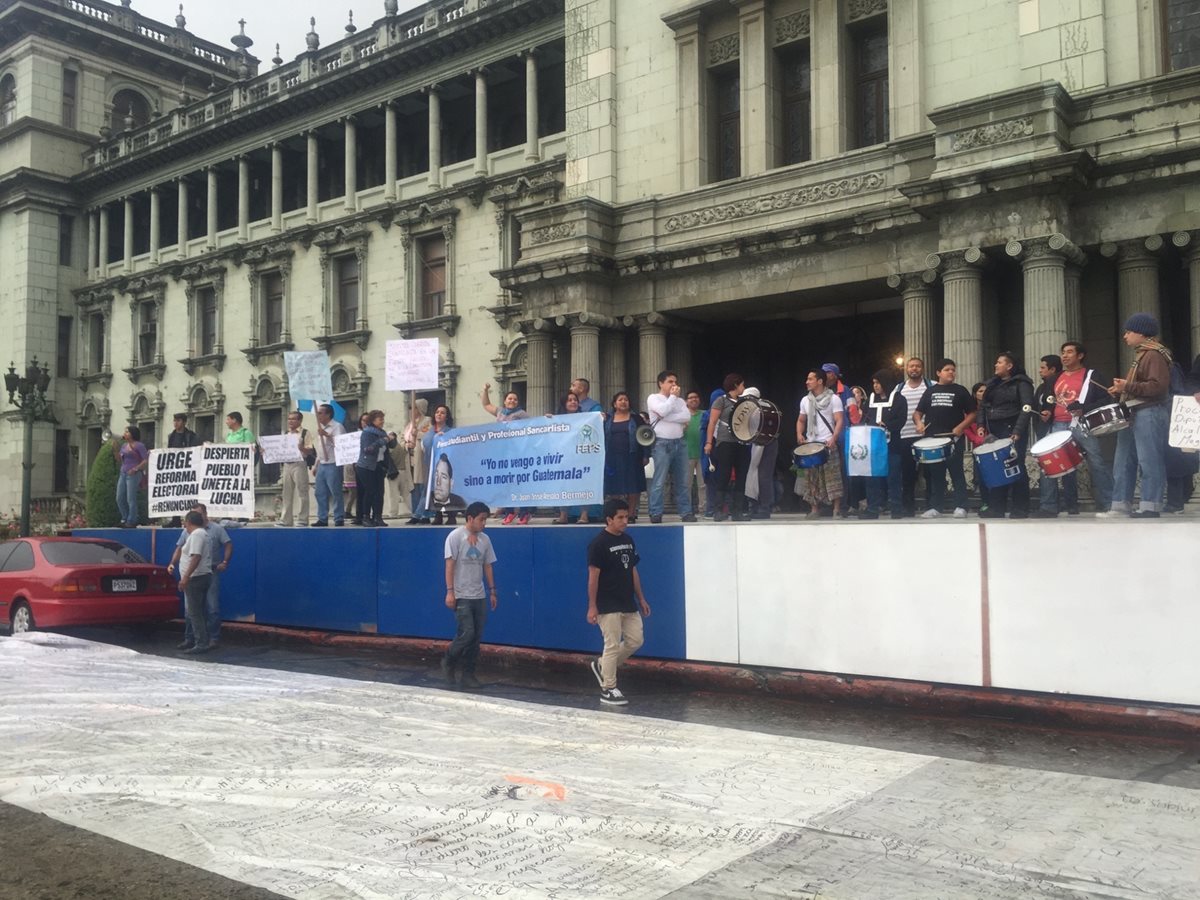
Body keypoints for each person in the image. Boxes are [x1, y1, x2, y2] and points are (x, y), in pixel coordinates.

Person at [1104, 312, 1172, 518]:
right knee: (1123, 461)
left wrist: (1127, 386)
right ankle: (1120, 505)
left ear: (1141, 333)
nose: (1125, 336)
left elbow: (1158, 387)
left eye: (1129, 331)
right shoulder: (1143, 354)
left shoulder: (1154, 355)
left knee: (1149, 460)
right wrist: (1122, 390)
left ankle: (1150, 506)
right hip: (1135, 411)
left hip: (1149, 412)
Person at [586, 498, 651, 706]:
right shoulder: (598, 544)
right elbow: (593, 577)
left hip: (627, 600)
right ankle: (609, 688)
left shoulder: (628, 540)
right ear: (609, 519)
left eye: (626, 517)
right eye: (620, 517)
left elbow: (633, 570)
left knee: (636, 640)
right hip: (607, 602)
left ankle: (602, 665)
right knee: (612, 644)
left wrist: (641, 598)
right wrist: (592, 606)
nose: (625, 521)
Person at [1040, 342, 1114, 516]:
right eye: (1063, 352)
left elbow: (1106, 399)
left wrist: (1084, 409)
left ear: (1080, 356)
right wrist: (1047, 411)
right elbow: (1049, 401)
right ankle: (1048, 506)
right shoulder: (1055, 378)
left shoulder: (1092, 375)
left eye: (1069, 352)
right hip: (1058, 423)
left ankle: (1109, 503)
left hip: (1082, 423)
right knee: (1049, 463)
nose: (1064, 356)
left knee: (1096, 462)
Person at [440, 501, 497, 690]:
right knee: (467, 633)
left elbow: (488, 565)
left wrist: (492, 590)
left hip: (479, 595)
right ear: (470, 518)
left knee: (476, 637)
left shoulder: (485, 540)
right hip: (462, 594)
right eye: (481, 519)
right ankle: (449, 659)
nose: (484, 524)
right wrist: (450, 591)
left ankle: (468, 674)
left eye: (486, 520)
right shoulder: (455, 537)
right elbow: (450, 565)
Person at [913, 358, 976, 518]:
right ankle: (936, 507)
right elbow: (917, 413)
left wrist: (961, 427)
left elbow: (972, 413)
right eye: (947, 370)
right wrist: (919, 423)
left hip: (953, 439)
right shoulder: (930, 391)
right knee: (936, 475)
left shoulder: (960, 390)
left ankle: (961, 506)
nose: (951, 372)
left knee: (957, 472)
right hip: (933, 439)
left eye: (953, 370)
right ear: (938, 373)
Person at [168, 501, 232, 650]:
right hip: (199, 573)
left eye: (198, 513)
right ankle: (191, 638)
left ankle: (207, 640)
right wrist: (173, 563)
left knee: (208, 608)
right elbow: (179, 548)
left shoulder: (205, 532)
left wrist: (225, 562)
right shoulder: (192, 533)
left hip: (202, 573)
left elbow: (196, 556)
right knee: (192, 610)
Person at [980, 351, 1035, 518]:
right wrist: (981, 425)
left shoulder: (1022, 383)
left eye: (1000, 362)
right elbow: (983, 406)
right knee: (996, 467)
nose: (996, 365)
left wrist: (1018, 431)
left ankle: (1020, 507)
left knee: (1015, 466)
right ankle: (997, 507)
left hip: (1012, 428)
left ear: (1009, 366)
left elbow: (1026, 408)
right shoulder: (992, 384)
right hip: (995, 429)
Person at [646, 370, 696, 523]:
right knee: (659, 480)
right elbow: (662, 410)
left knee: (683, 481)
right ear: (661, 383)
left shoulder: (680, 401)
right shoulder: (653, 398)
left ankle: (685, 512)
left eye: (675, 382)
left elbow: (686, 416)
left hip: (679, 442)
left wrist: (667, 416)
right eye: (670, 382)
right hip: (662, 442)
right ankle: (656, 512)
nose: (674, 385)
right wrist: (672, 398)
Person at [795, 368, 846, 518]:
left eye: (810, 379)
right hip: (811, 444)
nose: (807, 382)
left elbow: (839, 420)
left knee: (832, 476)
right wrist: (799, 434)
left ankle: (836, 509)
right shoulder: (805, 400)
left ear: (820, 381)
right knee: (811, 477)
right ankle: (814, 509)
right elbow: (801, 420)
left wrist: (834, 438)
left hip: (827, 442)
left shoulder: (833, 399)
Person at [481, 383, 532, 524]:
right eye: (510, 398)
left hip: (517, 453)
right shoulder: (500, 411)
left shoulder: (522, 414)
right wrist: (485, 390)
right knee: (506, 483)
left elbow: (535, 426)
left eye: (515, 399)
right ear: (505, 401)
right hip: (502, 453)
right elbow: (486, 404)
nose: (512, 401)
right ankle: (509, 511)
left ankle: (524, 512)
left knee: (520, 483)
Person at [704, 373, 751, 522]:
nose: (743, 387)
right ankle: (718, 510)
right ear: (736, 385)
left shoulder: (744, 402)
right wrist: (709, 442)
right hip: (725, 442)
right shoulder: (721, 401)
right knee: (724, 475)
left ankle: (737, 511)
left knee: (742, 475)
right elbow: (712, 422)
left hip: (742, 442)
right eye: (742, 384)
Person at [863, 370, 908, 519]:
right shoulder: (870, 400)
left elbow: (901, 420)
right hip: (873, 445)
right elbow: (864, 418)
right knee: (872, 478)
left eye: (878, 383)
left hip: (892, 444)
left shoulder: (899, 399)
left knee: (893, 477)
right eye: (874, 383)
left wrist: (887, 424)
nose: (875, 386)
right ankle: (872, 508)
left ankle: (896, 508)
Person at [602, 391, 648, 523]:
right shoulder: (607, 419)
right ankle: (616, 514)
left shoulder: (637, 419)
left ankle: (631, 514)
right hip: (612, 458)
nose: (623, 402)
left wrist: (646, 455)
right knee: (614, 487)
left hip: (633, 457)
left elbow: (645, 437)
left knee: (633, 486)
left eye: (626, 400)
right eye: (620, 400)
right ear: (614, 404)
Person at [897, 357, 931, 517]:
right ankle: (908, 507)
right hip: (905, 436)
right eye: (911, 366)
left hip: (926, 436)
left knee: (929, 473)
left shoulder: (931, 386)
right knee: (907, 474)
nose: (914, 369)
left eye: (917, 366)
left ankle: (931, 505)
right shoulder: (899, 388)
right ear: (906, 369)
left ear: (922, 369)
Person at [176, 510, 213, 655]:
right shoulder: (203, 533)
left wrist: (186, 577)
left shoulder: (197, 535)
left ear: (188, 522)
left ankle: (201, 643)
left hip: (195, 578)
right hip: (202, 576)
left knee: (194, 612)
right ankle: (199, 640)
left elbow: (196, 556)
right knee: (198, 611)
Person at [742, 387, 779, 519]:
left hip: (767, 443)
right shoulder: (746, 412)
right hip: (754, 445)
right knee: (752, 476)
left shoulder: (762, 410)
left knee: (764, 476)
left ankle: (764, 508)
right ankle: (754, 506)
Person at [421, 404, 459, 525]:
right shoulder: (430, 431)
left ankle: (451, 515)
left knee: (447, 489)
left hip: (446, 465)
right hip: (431, 465)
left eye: (442, 413)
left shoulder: (450, 432)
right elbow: (425, 446)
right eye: (437, 412)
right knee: (434, 489)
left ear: (446, 417)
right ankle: (438, 515)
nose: (439, 414)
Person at [311, 402, 346, 527]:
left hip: (333, 463)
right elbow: (320, 448)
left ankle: (339, 517)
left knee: (335, 491)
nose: (318, 415)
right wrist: (316, 465)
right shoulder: (320, 428)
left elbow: (342, 444)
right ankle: (322, 518)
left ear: (328, 414)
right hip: (322, 463)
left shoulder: (337, 427)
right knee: (319, 492)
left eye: (320, 413)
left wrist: (327, 435)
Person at [278, 409, 313, 527]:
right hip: (287, 464)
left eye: (293, 419)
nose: (290, 421)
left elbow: (310, 450)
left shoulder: (305, 433)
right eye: (289, 419)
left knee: (302, 491)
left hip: (299, 463)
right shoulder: (285, 434)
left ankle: (303, 519)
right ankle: (286, 520)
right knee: (286, 493)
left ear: (300, 420)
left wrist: (301, 448)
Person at [355, 410, 390, 527]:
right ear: (373, 421)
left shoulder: (382, 433)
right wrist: (383, 441)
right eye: (380, 419)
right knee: (370, 491)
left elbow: (390, 446)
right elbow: (367, 449)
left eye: (383, 419)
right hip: (366, 466)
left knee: (379, 493)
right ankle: (365, 517)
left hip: (379, 465)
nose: (382, 421)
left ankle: (378, 517)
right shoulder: (367, 433)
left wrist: (391, 439)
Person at [111, 425, 148, 528]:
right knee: (119, 497)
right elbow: (119, 459)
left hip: (134, 474)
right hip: (123, 473)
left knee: (130, 498)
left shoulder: (139, 445)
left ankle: (132, 520)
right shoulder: (124, 446)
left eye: (127, 432)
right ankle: (124, 517)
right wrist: (115, 450)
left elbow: (145, 460)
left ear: (133, 434)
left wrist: (135, 469)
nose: (125, 433)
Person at [407, 398, 433, 525]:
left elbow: (428, 436)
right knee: (414, 488)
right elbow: (403, 438)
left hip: (421, 458)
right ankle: (415, 512)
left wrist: (416, 434)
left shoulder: (427, 421)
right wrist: (406, 444)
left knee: (423, 486)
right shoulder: (409, 424)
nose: (412, 410)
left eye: (415, 408)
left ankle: (424, 514)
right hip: (410, 459)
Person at [684, 389, 707, 516]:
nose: (694, 399)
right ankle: (686, 510)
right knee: (686, 485)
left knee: (703, 484)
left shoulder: (704, 414)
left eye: (696, 397)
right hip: (686, 454)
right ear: (686, 401)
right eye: (691, 397)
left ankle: (703, 509)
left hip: (702, 454)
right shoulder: (682, 415)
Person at [384, 430, 413, 520]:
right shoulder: (401, 446)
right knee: (406, 494)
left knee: (393, 494)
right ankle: (413, 510)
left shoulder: (388, 449)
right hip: (403, 472)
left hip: (393, 474)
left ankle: (393, 513)